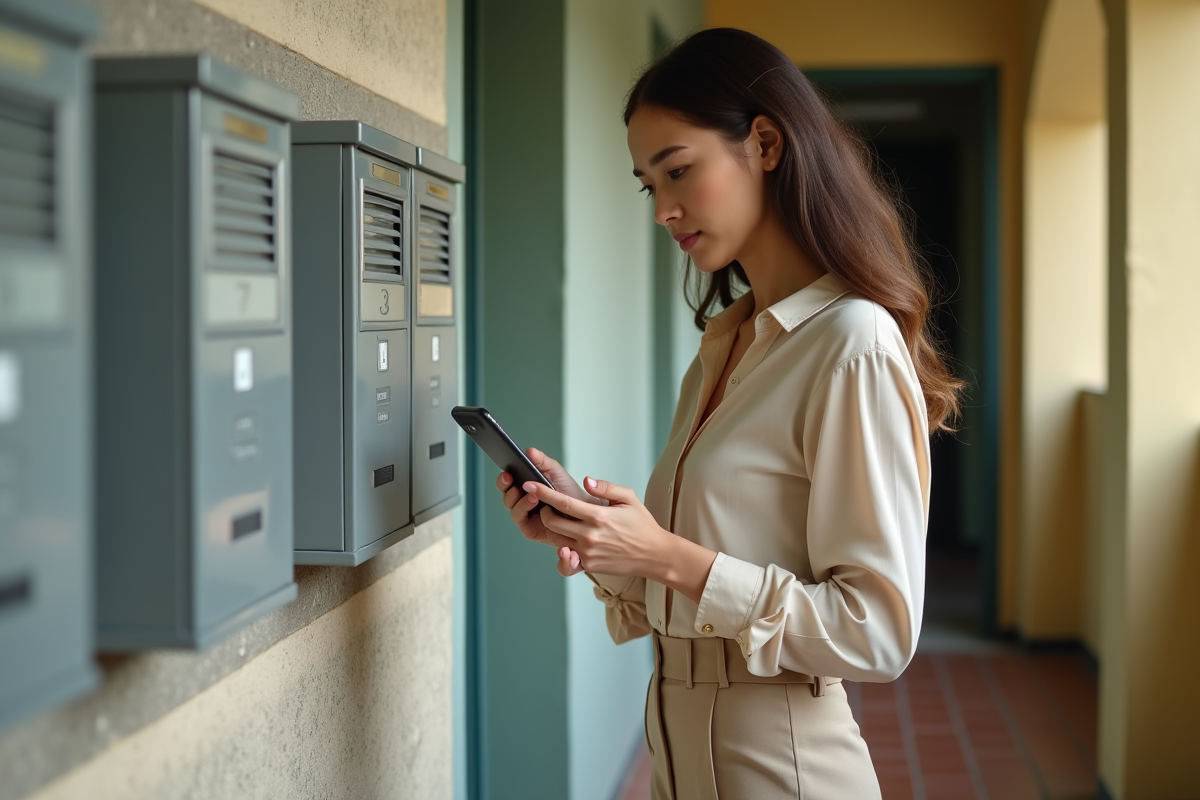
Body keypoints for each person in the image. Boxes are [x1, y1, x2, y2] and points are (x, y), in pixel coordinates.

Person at [494, 27, 962, 800]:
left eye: (679, 170)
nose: (663, 209)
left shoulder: (852, 343)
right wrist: (600, 539)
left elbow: (877, 633)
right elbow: (692, 591)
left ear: (766, 144)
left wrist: (664, 555)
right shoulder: (729, 342)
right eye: (649, 184)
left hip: (785, 767)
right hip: (681, 758)